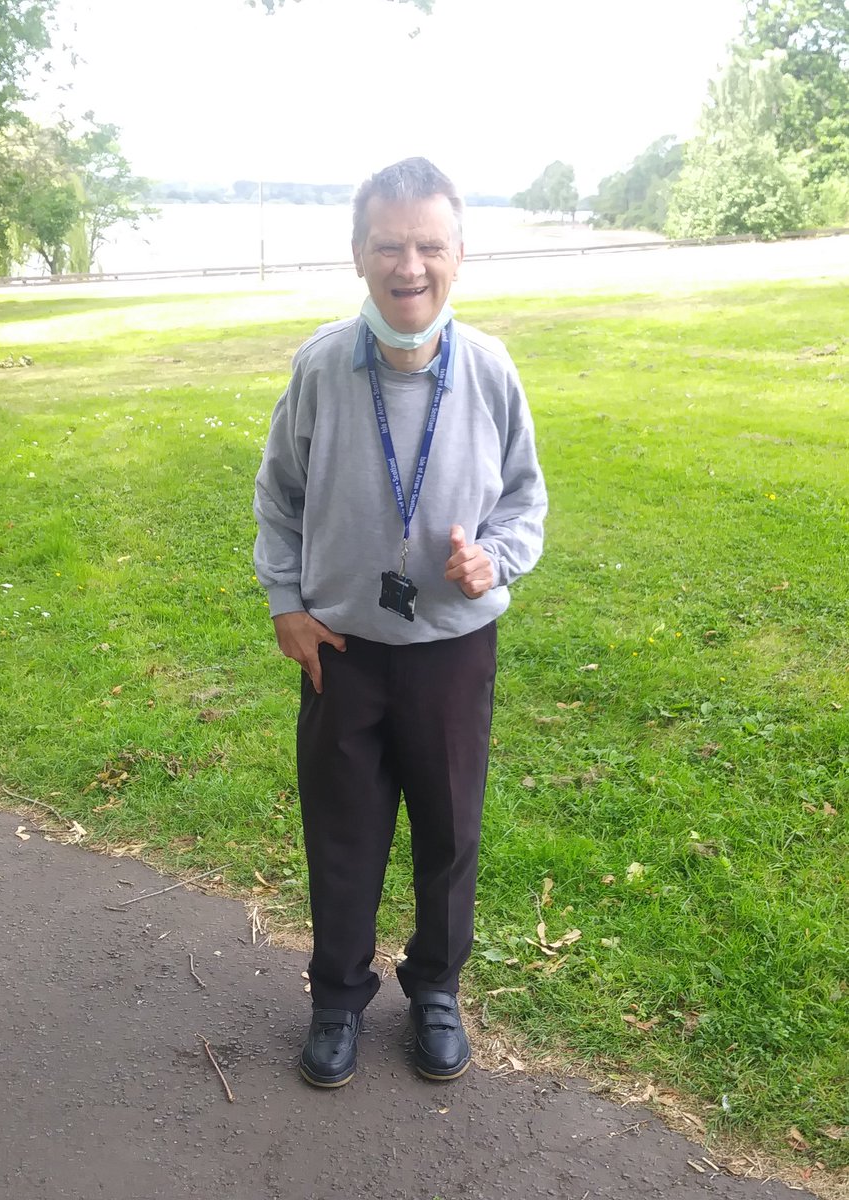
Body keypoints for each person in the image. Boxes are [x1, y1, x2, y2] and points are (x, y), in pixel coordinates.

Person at [253, 157, 547, 1088]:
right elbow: (279, 496)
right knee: (342, 831)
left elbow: (526, 504)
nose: (408, 265)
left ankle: (435, 989)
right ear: (357, 254)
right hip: (340, 655)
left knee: (450, 829)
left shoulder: (491, 370)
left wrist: (492, 558)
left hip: (451, 652)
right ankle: (337, 998)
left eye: (429, 245)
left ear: (460, 253)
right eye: (389, 245)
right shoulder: (320, 367)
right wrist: (287, 605)